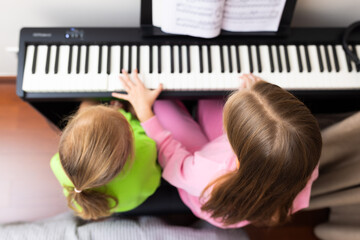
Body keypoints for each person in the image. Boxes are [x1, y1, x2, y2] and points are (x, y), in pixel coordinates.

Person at [112, 69, 322, 228]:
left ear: (236, 153)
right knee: (210, 93)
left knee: (162, 106)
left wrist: (144, 112)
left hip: (195, 174)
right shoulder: (303, 157)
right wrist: (263, 99)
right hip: (236, 163)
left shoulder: (207, 176)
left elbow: (175, 160)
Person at [50, 100, 161, 220]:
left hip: (116, 203)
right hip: (132, 200)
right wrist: (124, 113)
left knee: (87, 103)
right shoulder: (145, 149)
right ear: (128, 150)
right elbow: (141, 130)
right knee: (135, 107)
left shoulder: (57, 165)